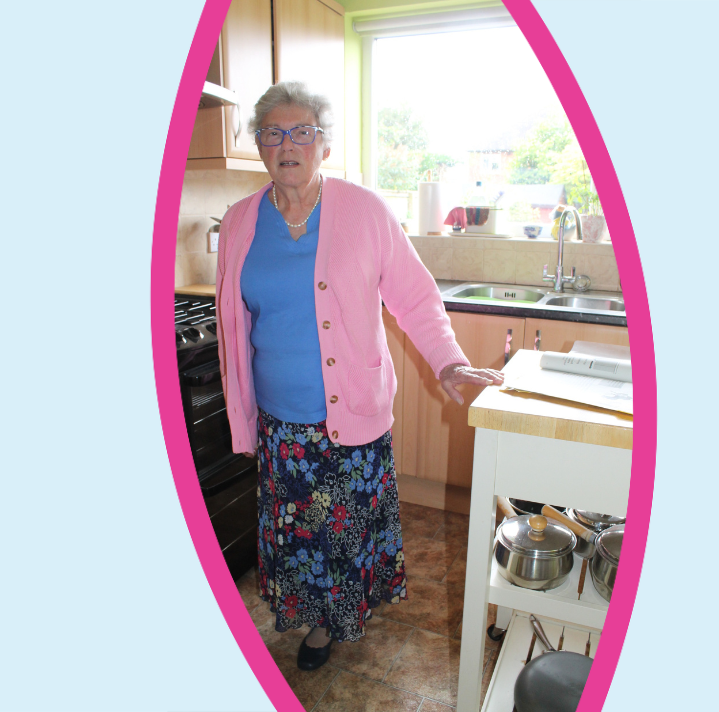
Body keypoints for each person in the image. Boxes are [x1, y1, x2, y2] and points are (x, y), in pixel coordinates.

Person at [214, 81, 503, 671]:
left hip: (351, 418)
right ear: (261, 147)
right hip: (281, 423)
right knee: (296, 534)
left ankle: (333, 622)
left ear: (323, 145)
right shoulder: (241, 222)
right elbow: (232, 322)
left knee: (343, 535)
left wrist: (446, 358)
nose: (287, 143)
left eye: (302, 132)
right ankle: (309, 611)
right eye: (273, 132)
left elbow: (416, 298)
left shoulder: (364, 212)